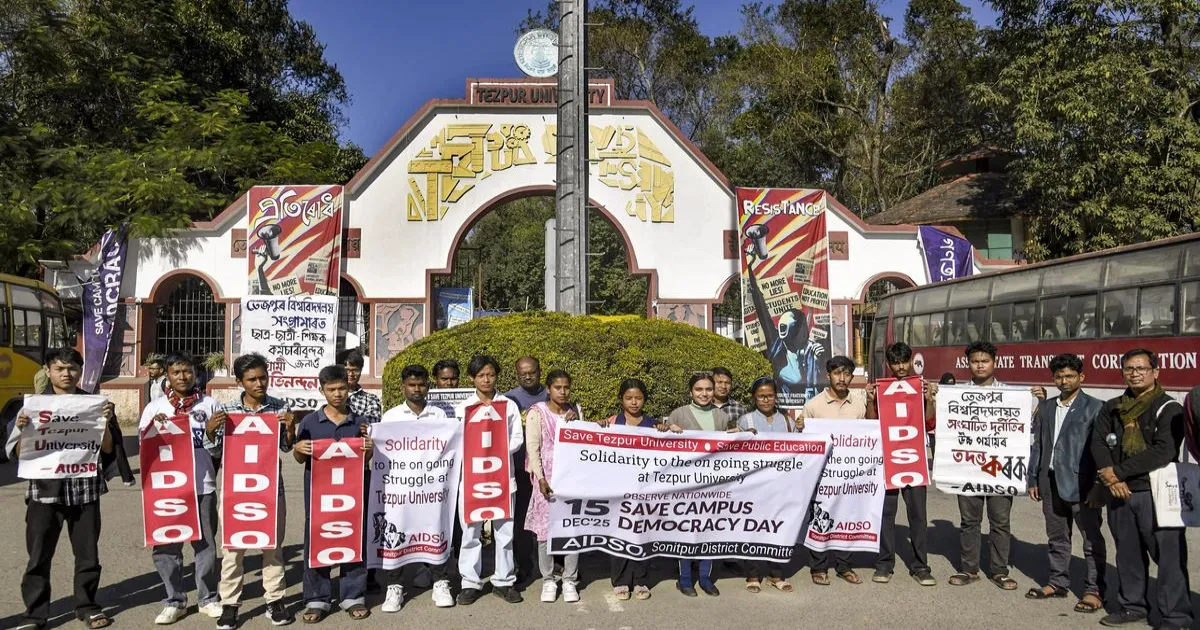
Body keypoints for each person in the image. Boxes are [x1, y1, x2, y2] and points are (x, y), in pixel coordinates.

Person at [8, 348, 117, 630]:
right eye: (59, 368)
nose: (66, 374)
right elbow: (19, 455)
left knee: (88, 556)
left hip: (85, 491)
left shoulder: (95, 405)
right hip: (43, 494)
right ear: (47, 371)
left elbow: (107, 449)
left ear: (80, 372)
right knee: (38, 557)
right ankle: (34, 615)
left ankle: (88, 607)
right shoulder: (31, 408)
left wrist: (104, 423)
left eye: (72, 368)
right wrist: (23, 430)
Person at [1092, 349, 1191, 629]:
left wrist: (1118, 472)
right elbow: (1098, 443)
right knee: (1127, 554)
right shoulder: (1112, 407)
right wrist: (1112, 479)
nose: (1135, 374)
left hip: (1156, 493)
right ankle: (1132, 606)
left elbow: (1163, 451)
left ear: (1155, 372)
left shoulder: (1169, 408)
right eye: (1129, 369)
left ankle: (1176, 616)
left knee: (1169, 558)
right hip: (1119, 492)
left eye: (1141, 368)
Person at [210, 353, 298, 629]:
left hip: (270, 489)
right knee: (233, 549)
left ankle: (275, 600)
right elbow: (215, 450)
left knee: (272, 547)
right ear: (240, 382)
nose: (259, 383)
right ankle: (230, 604)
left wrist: (290, 429)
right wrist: (211, 431)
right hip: (236, 490)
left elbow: (286, 448)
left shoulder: (279, 407)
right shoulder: (227, 410)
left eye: (263, 377)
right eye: (252, 379)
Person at [139, 352, 224, 624]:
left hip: (202, 485)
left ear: (195, 373)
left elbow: (221, 450)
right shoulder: (155, 408)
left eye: (188, 371)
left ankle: (208, 598)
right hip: (166, 489)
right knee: (167, 547)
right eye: (176, 372)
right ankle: (174, 601)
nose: (183, 377)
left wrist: (210, 432)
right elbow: (144, 449)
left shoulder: (210, 405)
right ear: (167, 375)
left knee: (206, 545)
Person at [1025, 353, 1106, 614]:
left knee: (1091, 540)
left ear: (1081, 377)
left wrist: (1098, 485)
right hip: (1049, 482)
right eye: (1059, 376)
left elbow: (1102, 451)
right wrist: (1033, 478)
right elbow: (1038, 445)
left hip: (1083, 485)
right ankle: (1058, 582)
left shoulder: (1095, 407)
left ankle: (1094, 590)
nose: (1064, 381)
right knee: (1057, 537)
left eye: (1070, 376)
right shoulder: (1047, 407)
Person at [294, 365, 374, 623]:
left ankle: (353, 596)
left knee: (353, 539)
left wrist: (370, 448)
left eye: (341, 388)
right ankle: (317, 598)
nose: (337, 394)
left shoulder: (360, 422)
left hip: (351, 496)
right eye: (331, 389)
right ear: (322, 390)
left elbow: (364, 459)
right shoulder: (309, 422)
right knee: (317, 541)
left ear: (348, 388)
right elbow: (298, 458)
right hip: (319, 497)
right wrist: (299, 448)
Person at [377, 364, 457, 610]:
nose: (416, 389)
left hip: (431, 488)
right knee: (397, 534)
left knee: (435, 531)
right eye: (411, 385)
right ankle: (394, 587)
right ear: (403, 387)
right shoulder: (391, 416)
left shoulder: (440, 416)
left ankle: (440, 582)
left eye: (421, 385)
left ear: (428, 386)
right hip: (400, 490)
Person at [863, 342, 936, 586]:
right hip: (889, 460)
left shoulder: (920, 387)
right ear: (889, 364)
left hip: (914, 460)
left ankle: (921, 566)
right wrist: (870, 401)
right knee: (886, 515)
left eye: (904, 361)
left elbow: (930, 423)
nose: (901, 366)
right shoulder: (881, 388)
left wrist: (928, 399)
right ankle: (884, 564)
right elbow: (871, 424)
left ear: (910, 361)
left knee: (918, 516)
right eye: (895, 362)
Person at [948, 341, 1018, 590]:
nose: (979, 366)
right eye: (975, 361)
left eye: (984, 361)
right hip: (968, 467)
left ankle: (999, 571)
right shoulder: (957, 394)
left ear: (994, 363)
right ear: (968, 364)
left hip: (1000, 469)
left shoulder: (1011, 395)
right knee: (969, 521)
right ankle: (969, 569)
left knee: (1000, 521)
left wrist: (1037, 402)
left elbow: (1023, 427)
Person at [456, 355, 525, 605]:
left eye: (491, 375)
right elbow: (457, 441)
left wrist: (496, 451)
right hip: (471, 479)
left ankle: (504, 581)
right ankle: (470, 582)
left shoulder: (508, 405)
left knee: (504, 533)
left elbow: (517, 438)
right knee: (470, 532)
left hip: (502, 478)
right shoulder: (463, 408)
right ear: (471, 378)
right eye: (481, 375)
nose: (486, 380)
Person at [662, 372, 733, 596]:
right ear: (690, 392)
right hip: (685, 485)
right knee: (685, 531)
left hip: (712, 484)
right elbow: (662, 447)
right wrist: (668, 430)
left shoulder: (721, 417)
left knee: (709, 531)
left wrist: (738, 435)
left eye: (708, 389)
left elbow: (725, 448)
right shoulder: (678, 414)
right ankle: (684, 579)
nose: (704, 393)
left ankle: (705, 578)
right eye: (699, 389)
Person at [801, 355, 866, 586]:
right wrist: (801, 427)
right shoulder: (813, 406)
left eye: (847, 374)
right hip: (822, 474)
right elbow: (804, 440)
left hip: (849, 474)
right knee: (820, 517)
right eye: (837, 373)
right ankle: (818, 566)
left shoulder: (858, 404)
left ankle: (844, 565)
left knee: (846, 517)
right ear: (828, 375)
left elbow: (865, 438)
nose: (842, 378)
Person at [525, 369, 583, 604]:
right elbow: (533, 448)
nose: (563, 391)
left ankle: (570, 579)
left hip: (571, 480)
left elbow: (583, 443)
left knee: (571, 529)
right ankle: (548, 579)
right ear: (548, 389)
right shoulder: (537, 412)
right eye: (558, 387)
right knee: (544, 533)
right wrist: (540, 478)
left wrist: (577, 423)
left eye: (567, 387)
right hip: (546, 481)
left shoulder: (575, 410)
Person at [738, 377, 796, 594]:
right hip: (754, 486)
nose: (765, 400)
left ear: (775, 396)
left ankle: (776, 574)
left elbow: (799, 451)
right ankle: (753, 574)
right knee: (753, 528)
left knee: (779, 529)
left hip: (781, 485)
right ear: (754, 398)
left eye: (770, 395)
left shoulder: (788, 422)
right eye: (761, 396)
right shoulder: (745, 421)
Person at [604, 378, 657, 601]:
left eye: (638, 398)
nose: (634, 402)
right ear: (621, 399)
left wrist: (669, 431)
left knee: (642, 533)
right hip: (618, 489)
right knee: (620, 533)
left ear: (644, 400)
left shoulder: (653, 426)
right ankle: (621, 580)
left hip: (645, 489)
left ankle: (641, 579)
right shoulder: (610, 423)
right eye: (629, 398)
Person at [504, 356, 547, 587]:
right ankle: (524, 566)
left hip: (547, 471)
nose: (528, 376)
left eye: (532, 372)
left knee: (550, 517)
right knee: (521, 520)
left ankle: (557, 563)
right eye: (523, 373)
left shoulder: (551, 395)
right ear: (517, 374)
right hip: (519, 469)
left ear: (540, 371)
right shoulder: (509, 400)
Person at [338, 349, 381, 422]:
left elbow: (371, 423)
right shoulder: (330, 395)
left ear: (361, 371)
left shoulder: (370, 399)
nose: (351, 374)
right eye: (347, 370)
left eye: (355, 370)